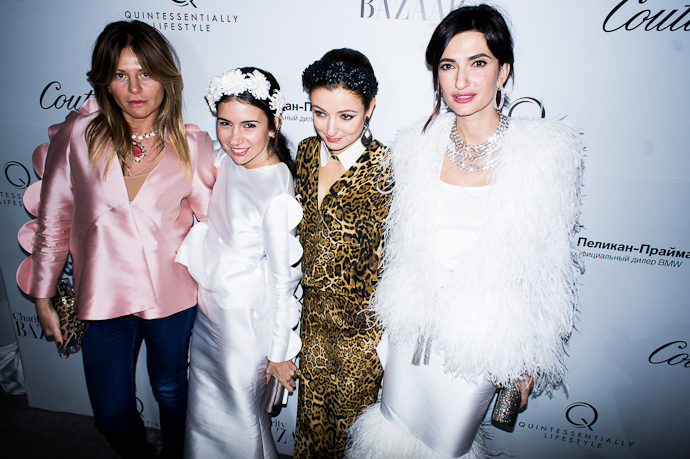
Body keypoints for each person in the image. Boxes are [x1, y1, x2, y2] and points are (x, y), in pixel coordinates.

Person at [346, 5, 584, 459]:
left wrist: (529, 358)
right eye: (447, 65)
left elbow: (550, 267)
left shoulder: (542, 157)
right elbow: (402, 250)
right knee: (390, 436)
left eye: (478, 63)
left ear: (503, 71)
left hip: (482, 340)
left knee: (448, 446)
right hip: (412, 332)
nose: (460, 81)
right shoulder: (415, 148)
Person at [16, 20, 215, 459]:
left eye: (146, 73)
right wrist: (43, 296)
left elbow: (212, 224)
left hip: (170, 297)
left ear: (166, 76)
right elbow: (55, 219)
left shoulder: (192, 144)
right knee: (110, 415)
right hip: (101, 295)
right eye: (121, 74)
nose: (135, 88)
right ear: (104, 80)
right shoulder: (77, 136)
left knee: (171, 391)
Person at [175, 67, 302, 458]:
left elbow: (284, 281)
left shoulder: (275, 190)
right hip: (210, 308)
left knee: (238, 419)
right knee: (206, 412)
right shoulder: (229, 159)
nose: (234, 138)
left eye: (249, 125)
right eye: (225, 123)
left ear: (274, 124)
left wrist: (280, 353)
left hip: (243, 326)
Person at [293, 48, 393, 458]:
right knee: (310, 431)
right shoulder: (304, 152)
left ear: (370, 107)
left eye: (346, 116)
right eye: (319, 113)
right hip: (310, 322)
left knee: (352, 439)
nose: (330, 128)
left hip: (360, 334)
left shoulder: (386, 168)